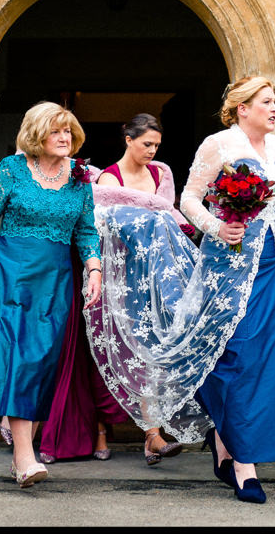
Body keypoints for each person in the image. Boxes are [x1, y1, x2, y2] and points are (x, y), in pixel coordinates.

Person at [0, 101, 102, 488]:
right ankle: (24, 458)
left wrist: (95, 269)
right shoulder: (12, 169)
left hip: (56, 277)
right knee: (19, 357)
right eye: (56, 131)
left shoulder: (80, 177)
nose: (65, 137)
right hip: (12, 273)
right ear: (36, 135)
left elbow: (86, 231)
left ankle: (17, 435)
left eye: (68, 130)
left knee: (42, 359)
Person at [179, 75, 275, 503]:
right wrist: (217, 226)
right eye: (268, 102)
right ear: (242, 108)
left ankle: (241, 457)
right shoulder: (218, 145)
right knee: (232, 357)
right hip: (227, 265)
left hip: (269, 267)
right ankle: (234, 452)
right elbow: (189, 199)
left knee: (265, 362)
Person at [38, 114, 188, 465]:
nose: (152, 151)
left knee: (148, 353)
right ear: (128, 140)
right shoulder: (108, 178)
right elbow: (99, 230)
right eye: (146, 144)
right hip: (115, 277)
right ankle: (102, 431)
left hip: (149, 277)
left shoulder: (161, 175)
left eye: (156, 145)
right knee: (105, 351)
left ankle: (152, 435)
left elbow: (170, 215)